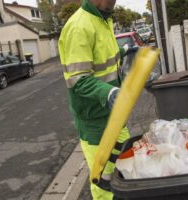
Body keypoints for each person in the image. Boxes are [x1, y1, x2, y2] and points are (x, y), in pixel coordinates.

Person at [58, 0, 130, 199]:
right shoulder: (79, 27)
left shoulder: (103, 20)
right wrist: (108, 93)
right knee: (104, 183)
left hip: (115, 117)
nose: (115, 2)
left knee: (127, 171)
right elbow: (78, 79)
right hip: (96, 124)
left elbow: (105, 62)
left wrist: (125, 52)